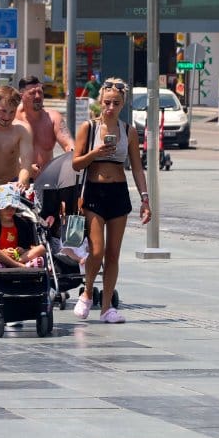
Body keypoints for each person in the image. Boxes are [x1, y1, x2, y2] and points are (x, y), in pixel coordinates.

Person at [70, 77, 152, 324]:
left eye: (116, 103)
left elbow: (137, 168)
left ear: (122, 104)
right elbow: (75, 163)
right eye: (107, 103)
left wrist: (145, 199)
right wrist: (95, 153)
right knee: (97, 249)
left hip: (118, 192)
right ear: (100, 103)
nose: (110, 108)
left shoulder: (129, 131)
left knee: (114, 254)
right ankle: (86, 293)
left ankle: (107, 307)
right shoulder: (89, 127)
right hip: (94, 191)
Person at [14, 75, 75, 178]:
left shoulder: (53, 118)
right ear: (21, 95)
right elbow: (1, 153)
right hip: (17, 180)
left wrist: (73, 157)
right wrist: (25, 166)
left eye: (40, 92)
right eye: (32, 93)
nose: (38, 96)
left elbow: (69, 145)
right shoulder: (12, 119)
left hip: (46, 180)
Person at [0, 185, 47, 269]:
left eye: (13, 207)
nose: (10, 210)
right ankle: (21, 266)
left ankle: (13, 264)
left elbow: (30, 246)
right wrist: (3, 252)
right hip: (0, 257)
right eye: (6, 207)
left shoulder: (22, 223)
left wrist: (23, 250)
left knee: (42, 248)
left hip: (20, 257)